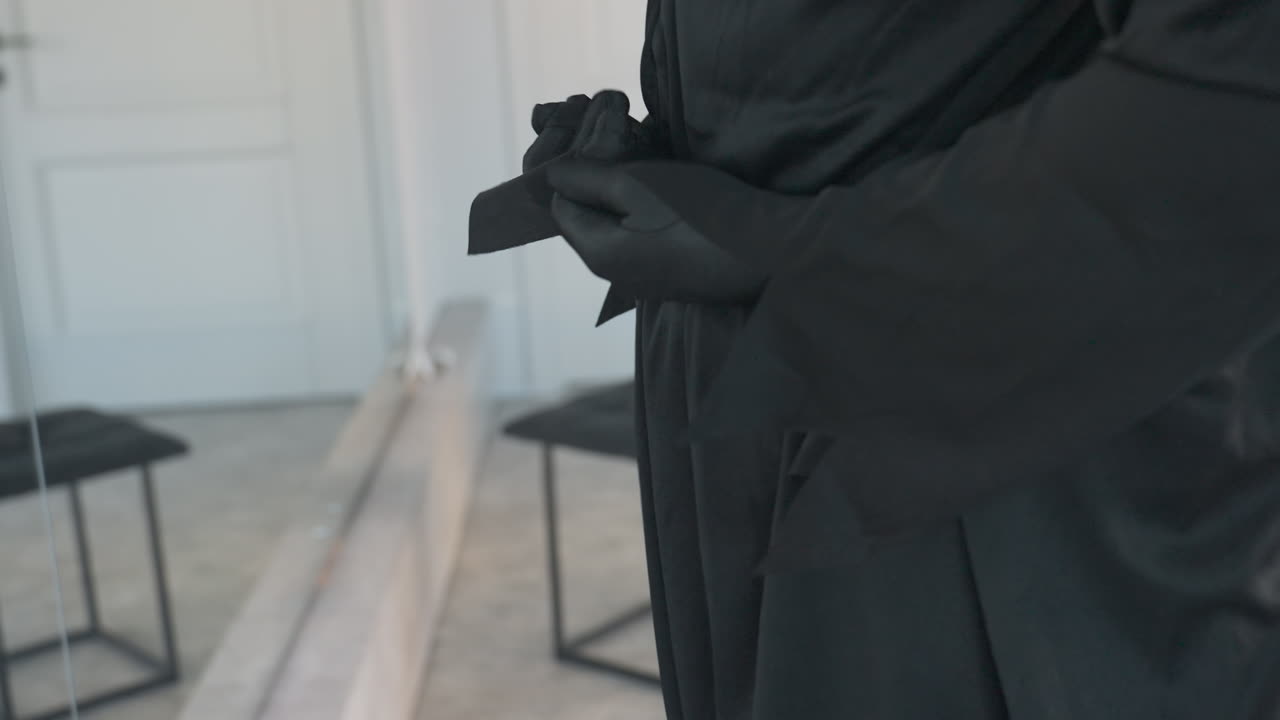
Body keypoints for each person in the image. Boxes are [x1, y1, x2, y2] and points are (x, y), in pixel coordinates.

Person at [488, 1, 1280, 717]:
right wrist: (680, 146)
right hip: (739, 406)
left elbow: (1238, 92)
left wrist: (787, 248)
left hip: (988, 430)